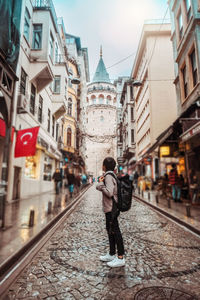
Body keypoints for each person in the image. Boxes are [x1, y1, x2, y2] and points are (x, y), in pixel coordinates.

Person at [96, 157, 125, 268]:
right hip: (110, 208)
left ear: (104, 166)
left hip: (111, 208)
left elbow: (109, 192)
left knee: (115, 231)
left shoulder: (108, 176)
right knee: (111, 231)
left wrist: (100, 186)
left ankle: (121, 257)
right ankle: (112, 254)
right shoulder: (110, 175)